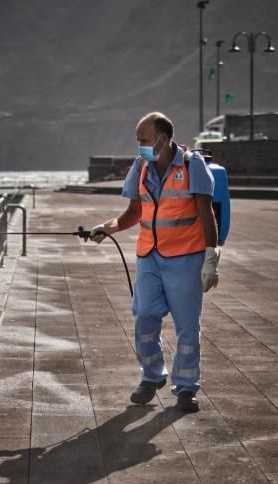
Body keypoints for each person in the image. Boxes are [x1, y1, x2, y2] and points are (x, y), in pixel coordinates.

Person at [89, 112, 219, 412]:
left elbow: (206, 214)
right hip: (149, 256)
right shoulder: (142, 166)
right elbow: (135, 212)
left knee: (186, 326)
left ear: (162, 139)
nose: (140, 147)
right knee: (144, 314)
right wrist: (107, 228)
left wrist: (211, 257)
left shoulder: (191, 165)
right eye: (138, 141)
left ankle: (186, 388)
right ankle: (152, 376)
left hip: (186, 257)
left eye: (144, 140)